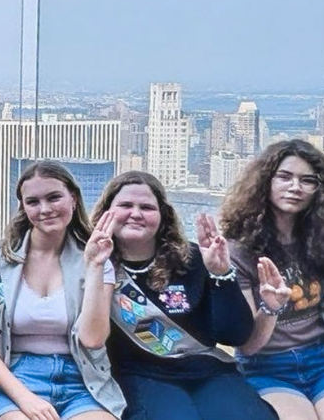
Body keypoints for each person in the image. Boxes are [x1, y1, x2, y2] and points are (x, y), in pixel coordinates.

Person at [90, 172, 275, 420]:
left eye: (146, 207)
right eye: (125, 205)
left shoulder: (192, 259)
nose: (136, 213)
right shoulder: (95, 264)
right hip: (139, 376)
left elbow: (234, 335)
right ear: (106, 212)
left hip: (208, 372)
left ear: (162, 216)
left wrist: (220, 275)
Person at [219, 140, 324, 420]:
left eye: (307, 180)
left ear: (318, 190)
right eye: (285, 177)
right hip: (266, 365)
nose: (295, 187)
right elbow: (248, 346)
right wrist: (271, 307)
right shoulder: (239, 251)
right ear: (266, 181)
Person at [0, 162, 125, 420]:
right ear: (23, 207)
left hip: (82, 381)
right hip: (17, 377)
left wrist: (95, 266)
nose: (45, 209)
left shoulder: (96, 259)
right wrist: (24, 398)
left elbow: (93, 339)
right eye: (33, 202)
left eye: (54, 197)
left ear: (73, 199)